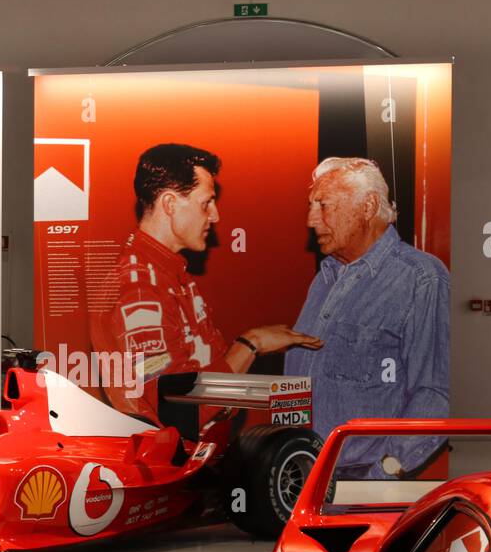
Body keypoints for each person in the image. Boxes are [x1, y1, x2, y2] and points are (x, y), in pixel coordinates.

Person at [91, 143, 320, 421]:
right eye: (206, 203)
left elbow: (205, 370)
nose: (215, 216)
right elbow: (179, 409)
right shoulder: (139, 288)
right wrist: (251, 343)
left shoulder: (168, 273)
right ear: (170, 204)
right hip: (172, 461)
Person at [284, 157, 449, 479]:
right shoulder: (326, 278)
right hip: (302, 476)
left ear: (368, 205)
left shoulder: (421, 278)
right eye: (310, 206)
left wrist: (385, 472)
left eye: (323, 205)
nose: (310, 220)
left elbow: (436, 393)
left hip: (362, 482)